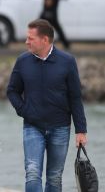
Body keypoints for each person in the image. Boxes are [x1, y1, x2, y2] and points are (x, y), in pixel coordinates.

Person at [7, 19, 87, 192]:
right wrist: (23, 110)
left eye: (30, 38)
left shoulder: (67, 61)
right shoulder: (23, 61)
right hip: (32, 126)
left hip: (60, 128)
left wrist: (81, 130)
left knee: (54, 177)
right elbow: (12, 90)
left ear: (44, 40)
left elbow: (75, 97)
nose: (26, 42)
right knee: (33, 172)